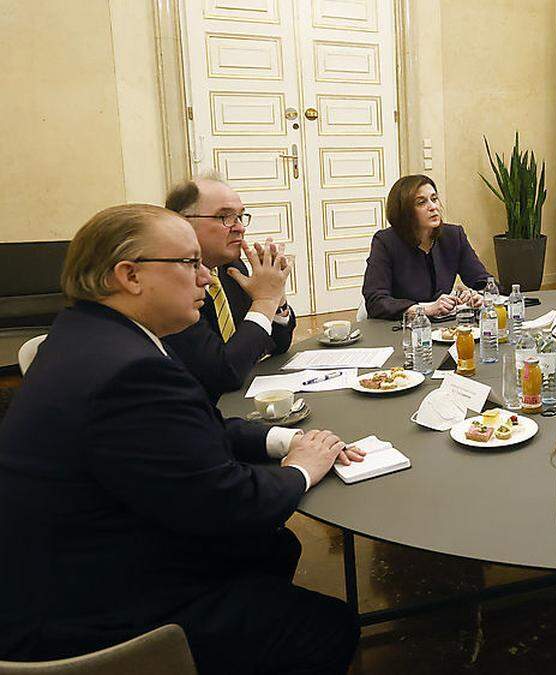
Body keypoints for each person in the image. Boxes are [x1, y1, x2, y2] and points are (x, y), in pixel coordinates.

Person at [0, 204, 362, 674]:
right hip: (83, 614)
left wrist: (280, 440)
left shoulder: (87, 335)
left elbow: (192, 431)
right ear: (129, 275)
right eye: (190, 264)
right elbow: (227, 503)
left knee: (272, 548)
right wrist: (301, 470)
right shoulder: (131, 371)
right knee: (328, 625)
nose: (208, 279)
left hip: (60, 563)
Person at [163, 177, 296, 402]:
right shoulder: (171, 285)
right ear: (183, 222)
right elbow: (224, 374)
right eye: (225, 217)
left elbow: (278, 344)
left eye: (241, 216)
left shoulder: (231, 269)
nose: (240, 228)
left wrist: (276, 298)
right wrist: (264, 301)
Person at [363, 174, 490, 320]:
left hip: (444, 327)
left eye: (434, 199)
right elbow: (375, 301)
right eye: (421, 202)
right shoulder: (386, 242)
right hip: (400, 329)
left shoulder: (454, 236)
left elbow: (484, 280)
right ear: (405, 211)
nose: (433, 207)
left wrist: (478, 295)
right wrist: (425, 309)